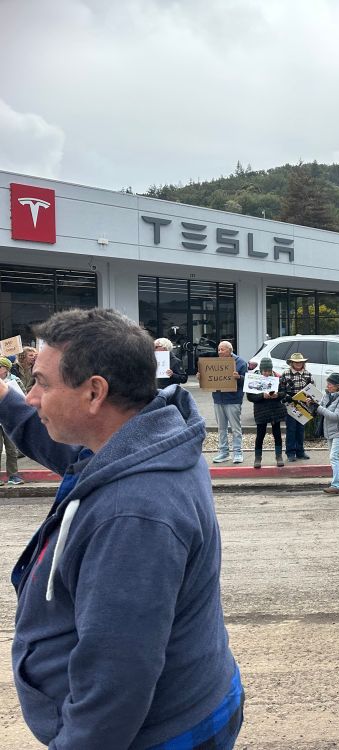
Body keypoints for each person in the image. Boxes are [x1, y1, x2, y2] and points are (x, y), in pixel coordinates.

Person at [0, 308, 242, 749]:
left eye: (42, 384)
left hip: (160, 734)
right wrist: (3, 396)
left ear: (95, 392)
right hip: (194, 694)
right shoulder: (144, 440)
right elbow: (65, 449)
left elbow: (116, 679)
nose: (31, 397)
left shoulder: (132, 512)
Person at [211, 340, 247, 464]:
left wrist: (239, 377)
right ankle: (224, 453)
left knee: (235, 428)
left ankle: (238, 453)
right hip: (218, 399)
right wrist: (202, 377)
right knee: (221, 428)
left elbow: (248, 381)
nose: (220, 352)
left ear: (230, 350)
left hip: (233, 400)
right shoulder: (214, 363)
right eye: (218, 349)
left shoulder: (240, 362)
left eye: (222, 349)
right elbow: (209, 379)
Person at [246, 356, 285, 469]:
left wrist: (277, 395)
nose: (267, 373)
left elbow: (284, 393)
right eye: (264, 371)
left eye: (268, 371)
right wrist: (262, 396)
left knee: (277, 434)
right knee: (260, 435)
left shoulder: (278, 378)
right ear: (261, 370)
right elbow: (250, 397)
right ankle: (258, 457)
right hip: (261, 410)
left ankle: (279, 456)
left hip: (275, 410)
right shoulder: (254, 379)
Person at [315, 372, 339, 495]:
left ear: (338, 385)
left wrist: (318, 407)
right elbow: (320, 408)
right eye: (328, 383)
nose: (328, 386)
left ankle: (337, 485)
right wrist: (311, 404)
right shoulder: (327, 395)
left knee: (333, 457)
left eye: (330, 384)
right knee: (334, 457)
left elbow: (335, 416)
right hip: (330, 430)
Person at [279, 352, 313, 462]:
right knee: (291, 429)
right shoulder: (285, 374)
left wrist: (309, 399)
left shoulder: (308, 374)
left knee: (300, 429)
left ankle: (300, 451)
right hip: (290, 405)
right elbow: (281, 389)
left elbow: (312, 390)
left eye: (300, 362)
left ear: (303, 363)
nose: (298, 364)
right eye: (296, 362)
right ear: (291, 363)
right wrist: (286, 397)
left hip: (303, 405)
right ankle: (290, 452)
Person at [0, 356, 25, 485]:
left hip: (9, 419)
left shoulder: (15, 380)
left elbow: (23, 396)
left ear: (6, 368)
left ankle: (13, 475)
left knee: (11, 449)